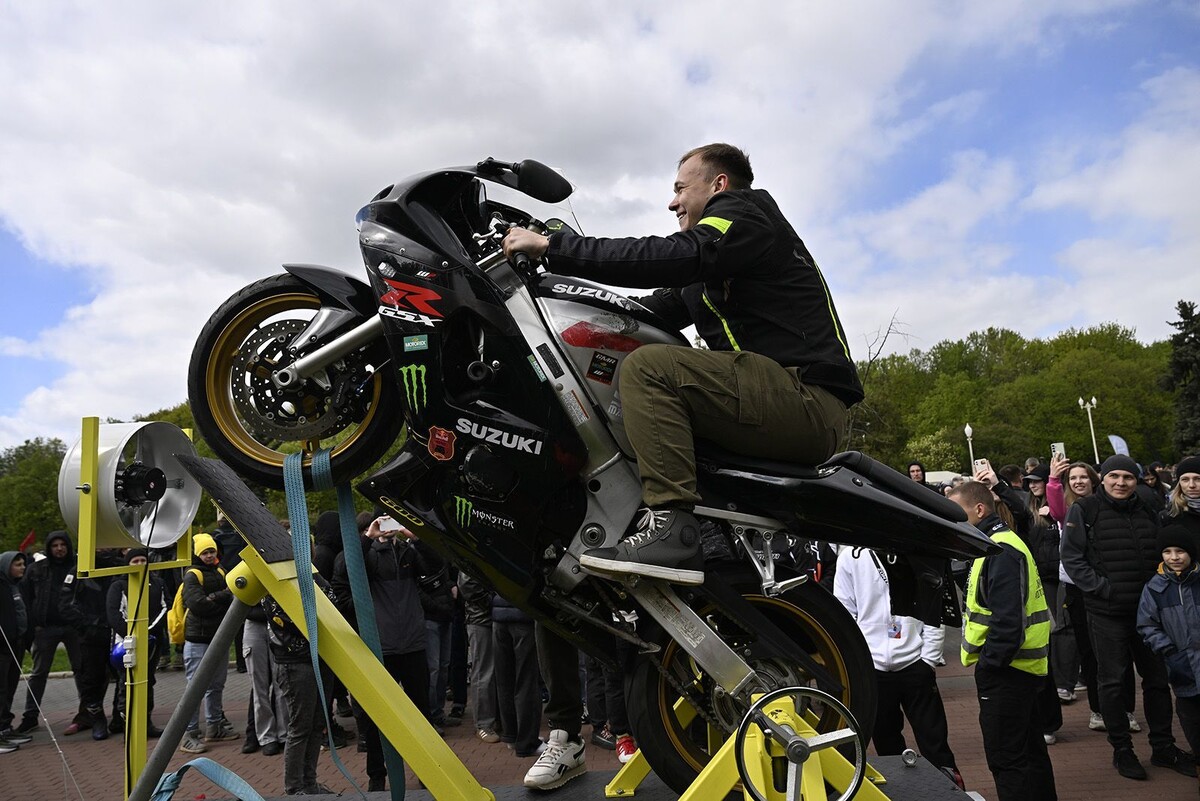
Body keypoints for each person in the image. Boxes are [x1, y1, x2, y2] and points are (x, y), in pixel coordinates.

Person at [502, 143, 862, 588]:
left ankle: (673, 529)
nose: (671, 202)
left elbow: (671, 256)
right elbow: (635, 316)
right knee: (625, 355)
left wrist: (553, 246)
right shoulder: (706, 271)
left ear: (718, 185)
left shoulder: (745, 212)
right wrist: (551, 298)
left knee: (650, 370)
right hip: (771, 402)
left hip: (806, 401)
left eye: (679, 189)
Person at [1060, 454, 1194, 780]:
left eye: (1128, 477)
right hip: (1107, 612)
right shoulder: (1085, 510)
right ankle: (1122, 750)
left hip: (1149, 613)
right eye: (1114, 476)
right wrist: (1103, 589)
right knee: (1113, 683)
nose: (1121, 482)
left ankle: (1163, 747)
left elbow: (1164, 549)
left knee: (1158, 681)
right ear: (1102, 479)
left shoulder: (1149, 506)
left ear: (1136, 480)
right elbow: (1072, 558)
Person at [948, 480, 1056, 801]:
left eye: (958, 512)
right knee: (1031, 753)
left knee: (1007, 761)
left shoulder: (1000, 549)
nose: (954, 519)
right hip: (1020, 669)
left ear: (980, 509)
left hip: (1007, 673)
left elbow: (1008, 623)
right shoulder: (998, 544)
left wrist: (989, 666)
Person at [833, 545, 962, 788]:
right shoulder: (850, 556)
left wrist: (928, 659)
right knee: (887, 744)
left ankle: (948, 789)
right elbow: (845, 612)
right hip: (874, 668)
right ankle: (904, 790)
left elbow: (934, 610)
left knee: (935, 743)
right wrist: (860, 661)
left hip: (915, 664)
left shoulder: (912, 550)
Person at [332, 515, 432, 792]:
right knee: (376, 717)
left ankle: (427, 771)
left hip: (412, 644)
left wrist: (416, 537)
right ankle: (377, 776)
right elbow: (344, 571)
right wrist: (368, 538)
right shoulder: (369, 554)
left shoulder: (408, 552)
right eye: (382, 523)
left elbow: (437, 565)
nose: (388, 529)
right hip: (380, 647)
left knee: (421, 715)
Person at [1136, 515, 1200, 797]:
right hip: (1182, 668)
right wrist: (1169, 650)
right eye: (1168, 552)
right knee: (1192, 723)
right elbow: (1147, 624)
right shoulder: (1155, 588)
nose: (1174, 557)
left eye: (1180, 551)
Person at [263, 577, 337, 796]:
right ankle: (295, 788)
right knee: (300, 726)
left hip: (318, 657)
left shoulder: (310, 577)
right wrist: (318, 612)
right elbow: (292, 621)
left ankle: (309, 782)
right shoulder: (275, 585)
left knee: (317, 724)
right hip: (294, 662)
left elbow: (332, 598)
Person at [16, 531, 82, 734]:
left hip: (74, 627)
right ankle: (30, 715)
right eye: (55, 545)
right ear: (49, 547)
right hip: (45, 628)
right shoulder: (37, 569)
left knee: (82, 670)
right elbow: (25, 596)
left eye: (63, 544)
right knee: (38, 673)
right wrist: (33, 625)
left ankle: (87, 712)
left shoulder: (78, 567)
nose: (59, 548)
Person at [179, 533, 237, 753]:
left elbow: (230, 598)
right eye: (205, 552)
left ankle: (214, 726)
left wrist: (215, 599)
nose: (210, 555)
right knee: (195, 687)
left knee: (215, 685)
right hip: (198, 639)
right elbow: (197, 604)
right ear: (197, 554)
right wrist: (222, 598)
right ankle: (189, 733)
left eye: (212, 551)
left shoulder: (221, 571)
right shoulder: (192, 575)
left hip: (218, 637)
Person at [105, 548, 167, 737]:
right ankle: (127, 725)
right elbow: (114, 613)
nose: (140, 565)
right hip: (124, 643)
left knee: (148, 680)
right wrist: (132, 634)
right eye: (135, 561)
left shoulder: (157, 583)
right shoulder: (119, 586)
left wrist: (147, 631)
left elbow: (165, 607)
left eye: (143, 560)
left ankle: (146, 722)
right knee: (127, 682)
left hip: (152, 640)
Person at [0, 551, 28, 749]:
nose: (22, 567)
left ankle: (5, 726)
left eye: (22, 564)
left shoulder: (15, 586)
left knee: (9, 687)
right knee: (1, 689)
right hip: (3, 645)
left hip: (15, 644)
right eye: (17, 564)